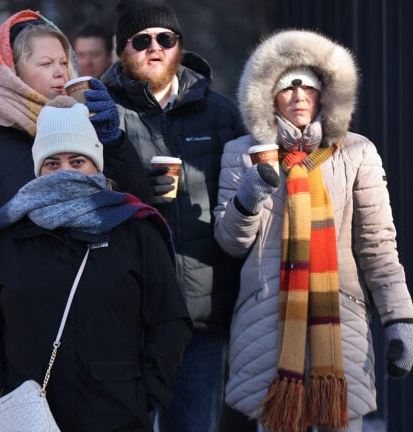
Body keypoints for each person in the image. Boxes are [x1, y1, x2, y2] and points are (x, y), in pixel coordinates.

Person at [213, 29, 413, 432]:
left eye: (309, 84)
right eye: (287, 86)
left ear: (327, 92)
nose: (299, 95)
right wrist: (247, 197)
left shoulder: (358, 152)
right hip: (265, 329)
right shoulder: (242, 153)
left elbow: (378, 247)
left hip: (341, 330)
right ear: (268, 95)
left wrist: (400, 320)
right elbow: (229, 242)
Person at [0, 96, 192, 431]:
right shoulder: (7, 236)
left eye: (77, 161)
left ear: (96, 165)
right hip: (28, 416)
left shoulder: (134, 230)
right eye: (52, 163)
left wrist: (146, 394)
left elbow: (169, 320)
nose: (65, 172)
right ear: (38, 168)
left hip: (116, 416)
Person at [100, 0, 247, 430]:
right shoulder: (102, 114)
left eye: (165, 39)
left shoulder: (219, 112)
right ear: (122, 50)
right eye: (141, 40)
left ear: (179, 46)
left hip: (200, 319)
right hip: (127, 319)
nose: (155, 48)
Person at [0, 10, 149, 214]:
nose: (60, 72)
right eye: (46, 63)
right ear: (12, 73)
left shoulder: (83, 125)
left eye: (63, 62)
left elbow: (138, 208)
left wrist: (113, 142)